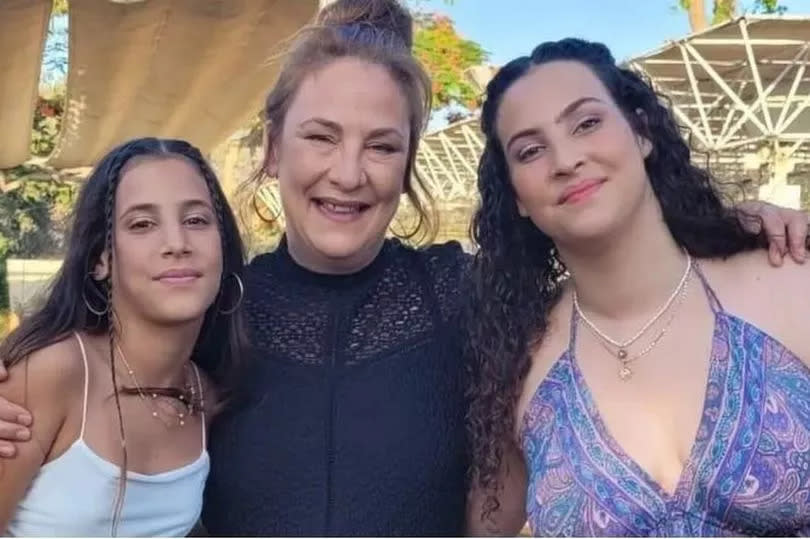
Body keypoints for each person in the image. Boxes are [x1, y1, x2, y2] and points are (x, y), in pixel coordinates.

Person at [0, 3, 807, 536]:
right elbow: (96, 358)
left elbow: (606, 260)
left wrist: (742, 226)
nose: (349, 173)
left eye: (382, 145)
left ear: (408, 162)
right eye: (320, 137)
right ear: (274, 148)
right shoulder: (214, 308)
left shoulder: (464, 296)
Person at [464, 38, 810, 537]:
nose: (565, 159)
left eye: (587, 123)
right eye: (531, 150)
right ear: (516, 195)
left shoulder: (786, 282)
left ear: (642, 131)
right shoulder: (517, 364)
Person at [0, 138, 248, 536]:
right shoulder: (54, 373)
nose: (177, 244)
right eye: (142, 224)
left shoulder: (205, 395)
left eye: (197, 220)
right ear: (101, 258)